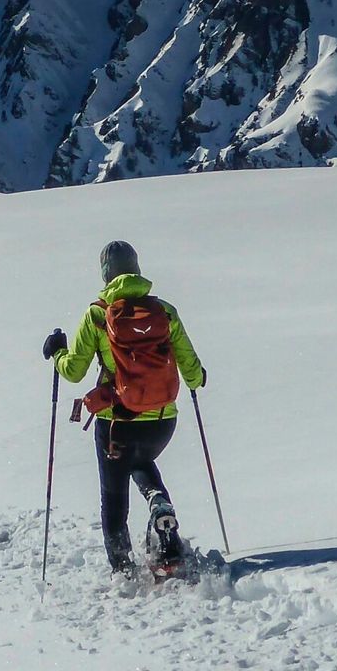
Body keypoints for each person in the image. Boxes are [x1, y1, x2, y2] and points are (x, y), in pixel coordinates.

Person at [42, 240, 206, 575]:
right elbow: (191, 370)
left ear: (105, 274)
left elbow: (73, 370)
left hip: (117, 422)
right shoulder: (164, 312)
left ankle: (123, 569)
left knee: (113, 496)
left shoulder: (98, 315)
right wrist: (196, 377)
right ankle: (165, 532)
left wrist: (57, 352)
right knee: (141, 461)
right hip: (162, 419)